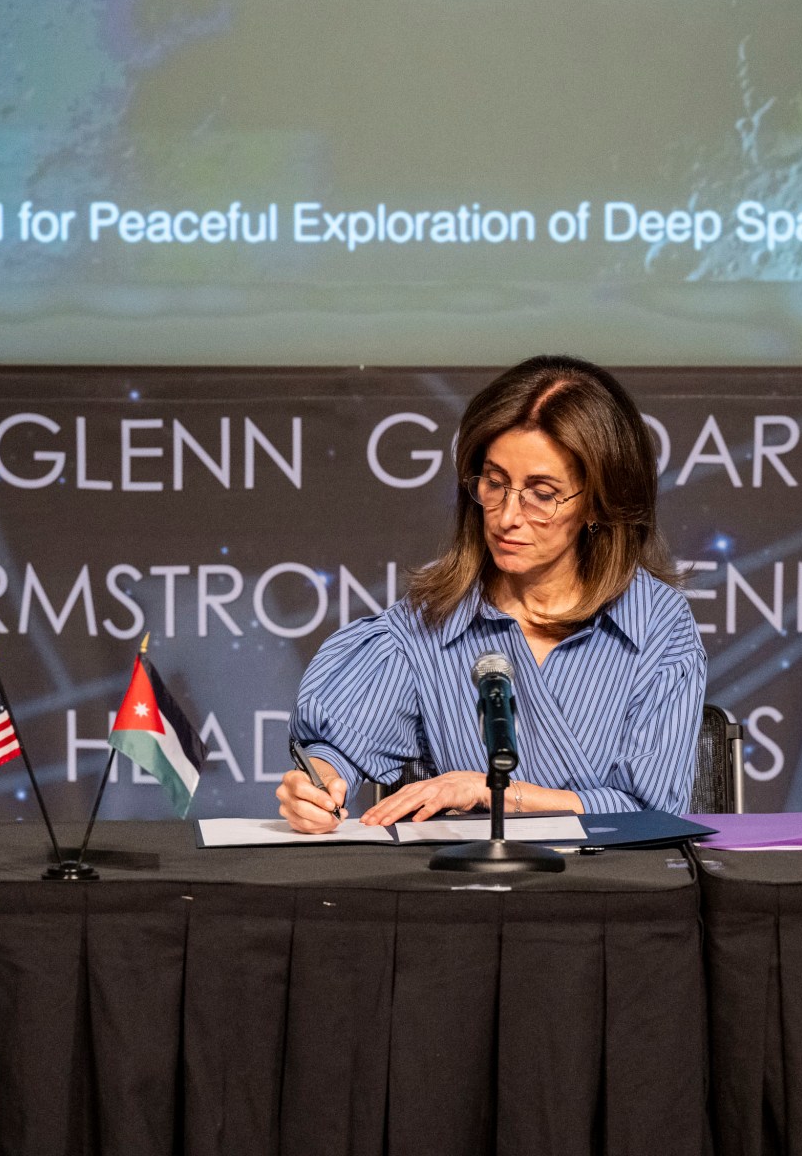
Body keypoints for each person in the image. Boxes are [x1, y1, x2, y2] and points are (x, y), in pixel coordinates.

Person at [276, 355, 706, 831]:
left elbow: (653, 813)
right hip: (469, 874)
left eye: (542, 494)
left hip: (612, 874)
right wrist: (319, 785)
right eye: (495, 483)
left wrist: (492, 791)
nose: (506, 517)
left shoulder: (657, 624)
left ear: (597, 504)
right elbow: (340, 745)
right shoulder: (431, 620)